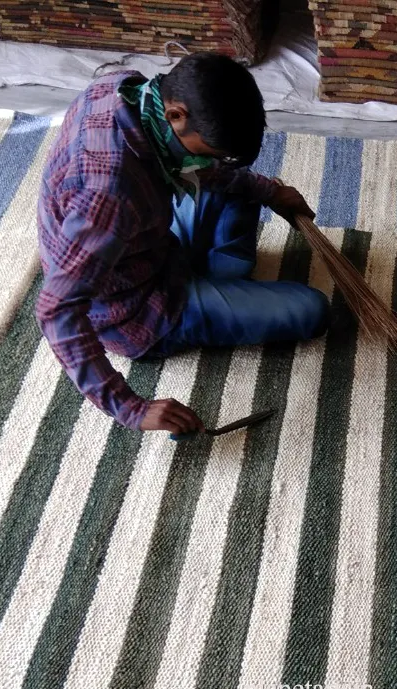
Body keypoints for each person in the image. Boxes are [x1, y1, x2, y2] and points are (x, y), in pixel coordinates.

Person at [36, 52, 331, 436]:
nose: (206, 160)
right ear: (175, 114)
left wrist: (269, 192)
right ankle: (214, 292)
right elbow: (55, 310)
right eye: (202, 150)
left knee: (241, 186)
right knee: (312, 311)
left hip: (153, 245)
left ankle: (220, 284)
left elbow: (204, 169)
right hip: (141, 309)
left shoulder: (124, 89)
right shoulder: (107, 198)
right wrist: (131, 408)